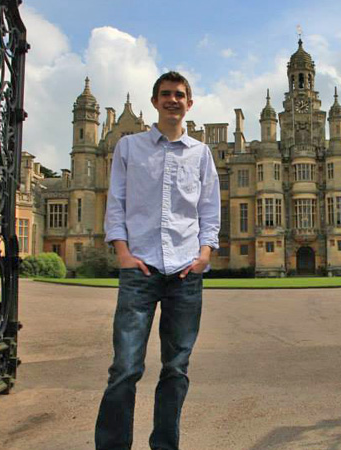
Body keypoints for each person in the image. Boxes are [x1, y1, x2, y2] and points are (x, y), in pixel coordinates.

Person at [95, 71, 221, 450]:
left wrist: (203, 256)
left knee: (176, 369)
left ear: (189, 103)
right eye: (166, 94)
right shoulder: (129, 147)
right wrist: (122, 253)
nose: (173, 100)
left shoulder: (201, 153)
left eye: (180, 95)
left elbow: (209, 210)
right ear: (155, 101)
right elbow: (114, 202)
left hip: (185, 271)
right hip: (140, 268)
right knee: (125, 369)